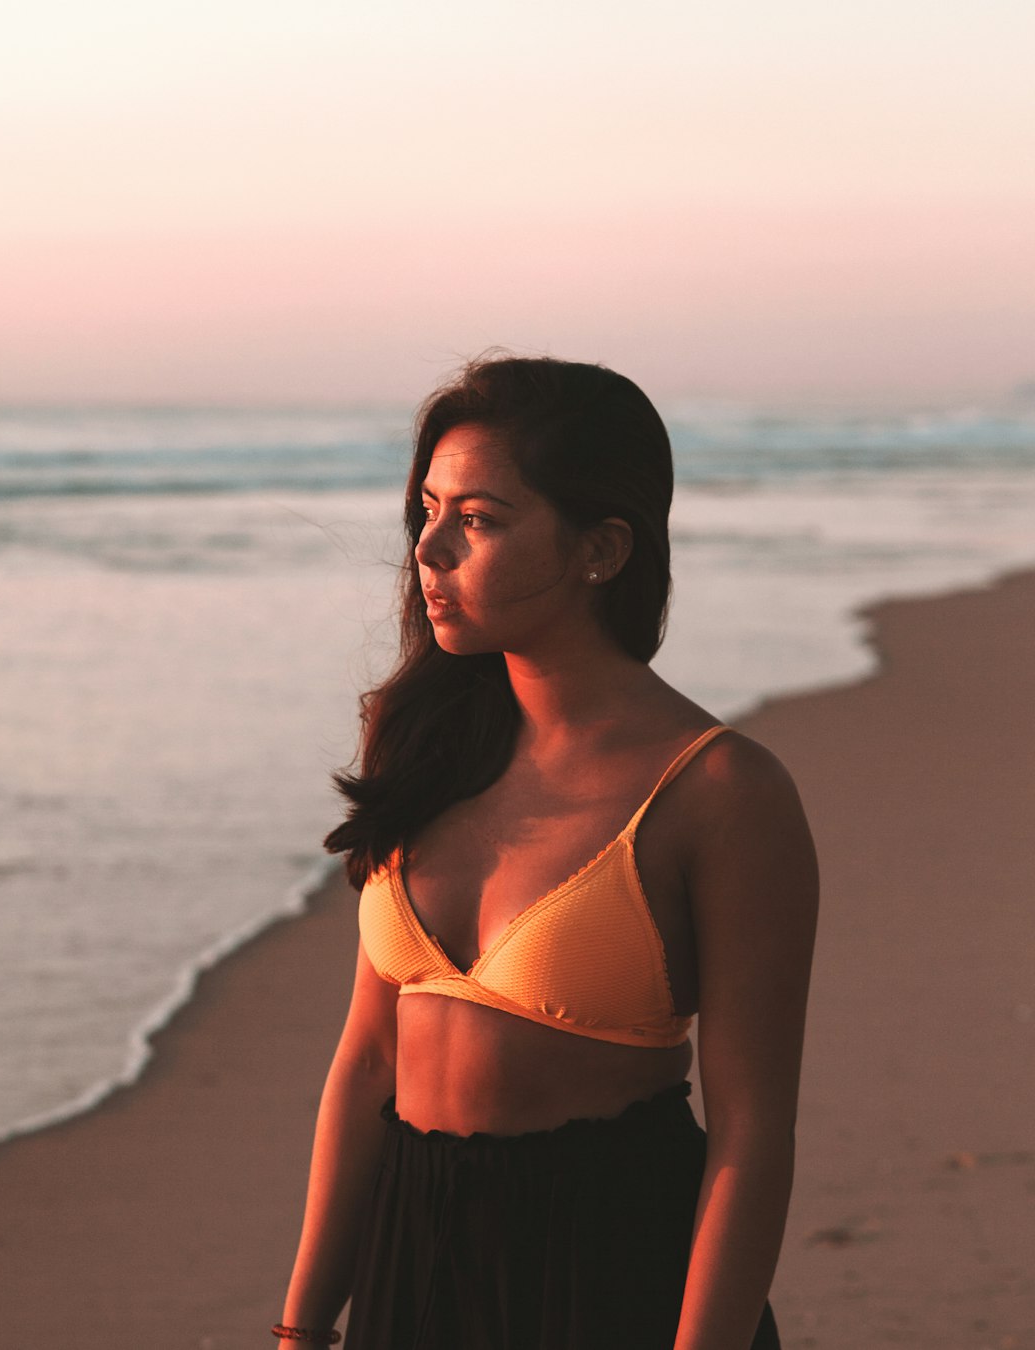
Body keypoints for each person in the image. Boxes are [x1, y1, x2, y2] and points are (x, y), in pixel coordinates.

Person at [276, 353, 819, 1350]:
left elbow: (752, 1133)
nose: (429, 548)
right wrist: (302, 1327)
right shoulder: (423, 748)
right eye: (428, 509)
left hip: (609, 1271)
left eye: (478, 519)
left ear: (600, 549)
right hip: (413, 1258)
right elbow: (365, 1064)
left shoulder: (722, 792)